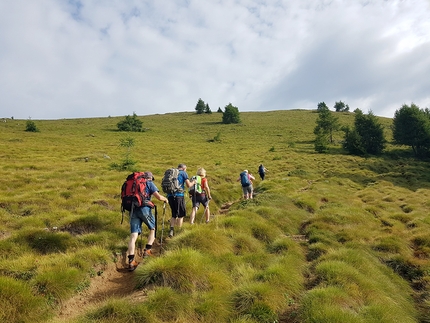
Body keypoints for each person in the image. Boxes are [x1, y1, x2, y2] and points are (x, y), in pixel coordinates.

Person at [127, 171, 168, 272]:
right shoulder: (149, 183)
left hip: (133, 210)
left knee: (133, 235)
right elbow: (158, 197)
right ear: (149, 178)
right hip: (144, 209)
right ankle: (148, 250)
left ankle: (131, 261)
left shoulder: (133, 184)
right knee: (153, 228)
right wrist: (165, 199)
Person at [167, 164, 195, 237]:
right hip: (179, 196)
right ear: (184, 168)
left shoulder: (171, 172)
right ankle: (178, 232)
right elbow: (188, 185)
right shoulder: (183, 173)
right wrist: (193, 182)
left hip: (170, 196)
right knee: (180, 214)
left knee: (174, 214)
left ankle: (171, 230)